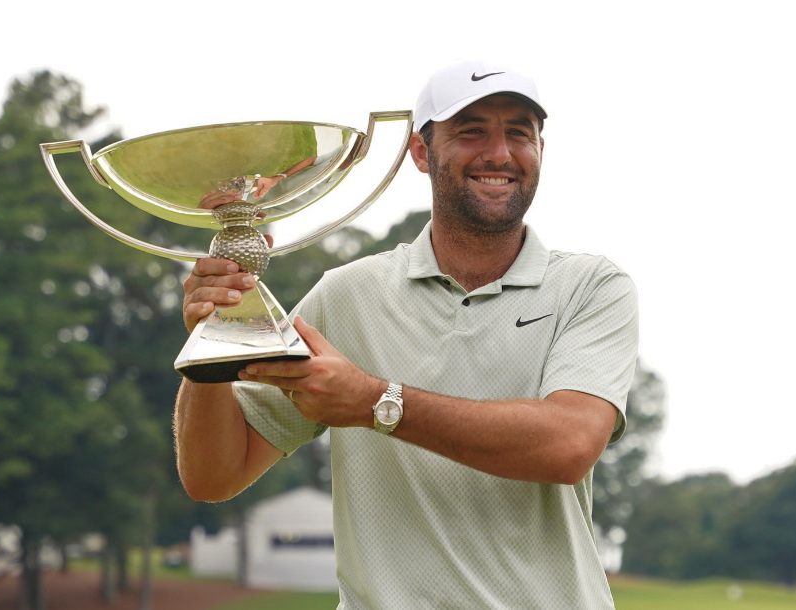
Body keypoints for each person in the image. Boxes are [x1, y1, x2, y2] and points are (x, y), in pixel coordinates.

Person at [175, 60, 639, 609]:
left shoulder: (591, 287)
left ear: (540, 150)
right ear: (421, 152)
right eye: (471, 131)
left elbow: (568, 445)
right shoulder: (347, 294)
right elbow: (213, 477)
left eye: (519, 132)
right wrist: (214, 340)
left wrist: (375, 402)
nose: (499, 153)